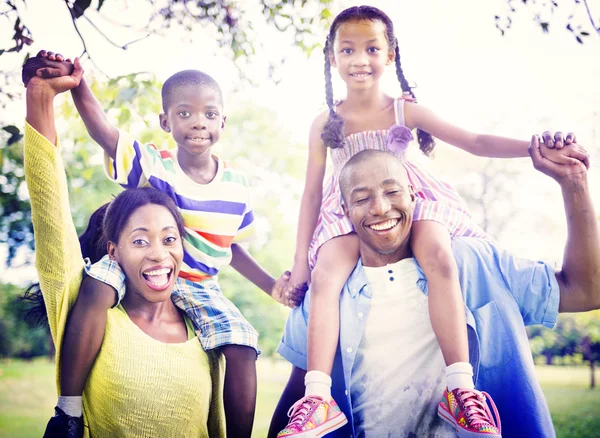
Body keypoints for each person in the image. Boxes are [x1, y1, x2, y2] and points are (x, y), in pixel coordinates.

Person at [280, 5, 590, 437]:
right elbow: (312, 193)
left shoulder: (405, 110)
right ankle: (317, 398)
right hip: (349, 209)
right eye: (347, 49)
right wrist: (300, 263)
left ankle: (460, 389)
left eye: (372, 48)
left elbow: (476, 141)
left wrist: (533, 147)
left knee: (442, 258)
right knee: (327, 274)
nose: (359, 58)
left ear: (390, 56)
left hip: (410, 201)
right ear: (332, 57)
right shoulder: (324, 123)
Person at [22, 53, 305, 438]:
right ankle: (68, 410)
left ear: (223, 121)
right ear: (166, 121)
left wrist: (272, 285)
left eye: (209, 113)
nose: (198, 122)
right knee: (96, 287)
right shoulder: (155, 167)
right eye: (185, 113)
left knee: (243, 346)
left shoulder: (238, 186)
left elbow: (233, 246)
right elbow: (104, 132)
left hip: (202, 284)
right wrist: (78, 84)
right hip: (137, 266)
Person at [270, 145, 599, 438]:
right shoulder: (325, 291)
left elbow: (587, 291)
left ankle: (461, 395)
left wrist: (574, 184)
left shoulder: (476, 263)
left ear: (413, 193)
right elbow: (296, 396)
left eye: (392, 192)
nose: (381, 208)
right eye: (362, 198)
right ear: (344, 209)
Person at [23, 61, 227, 437]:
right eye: (139, 241)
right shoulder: (91, 312)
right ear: (114, 252)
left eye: (169, 238)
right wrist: (40, 96)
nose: (158, 254)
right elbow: (49, 209)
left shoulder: (205, 329)